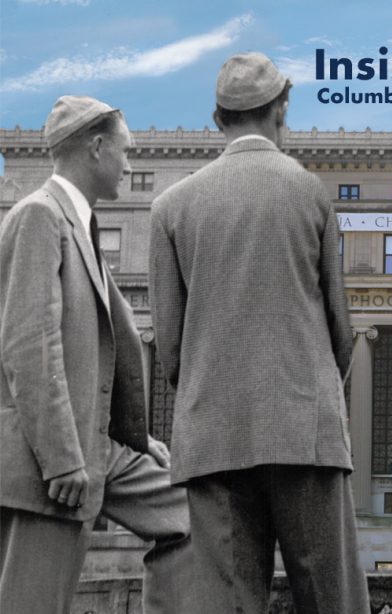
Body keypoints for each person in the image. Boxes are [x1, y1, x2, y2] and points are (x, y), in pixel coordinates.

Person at [149, 52, 369, 613]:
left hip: (213, 438)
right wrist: (313, 388)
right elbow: (341, 332)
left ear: (218, 118)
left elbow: (169, 350)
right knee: (331, 600)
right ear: (281, 108)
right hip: (306, 433)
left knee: (228, 605)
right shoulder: (311, 192)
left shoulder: (170, 208)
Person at [0, 96, 192, 614]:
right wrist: (62, 460)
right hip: (49, 463)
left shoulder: (81, 225)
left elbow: (104, 350)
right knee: (33, 604)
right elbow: (29, 346)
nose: (130, 165)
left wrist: (140, 439)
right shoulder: (38, 215)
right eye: (126, 151)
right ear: (96, 146)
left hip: (102, 449)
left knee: (199, 518)